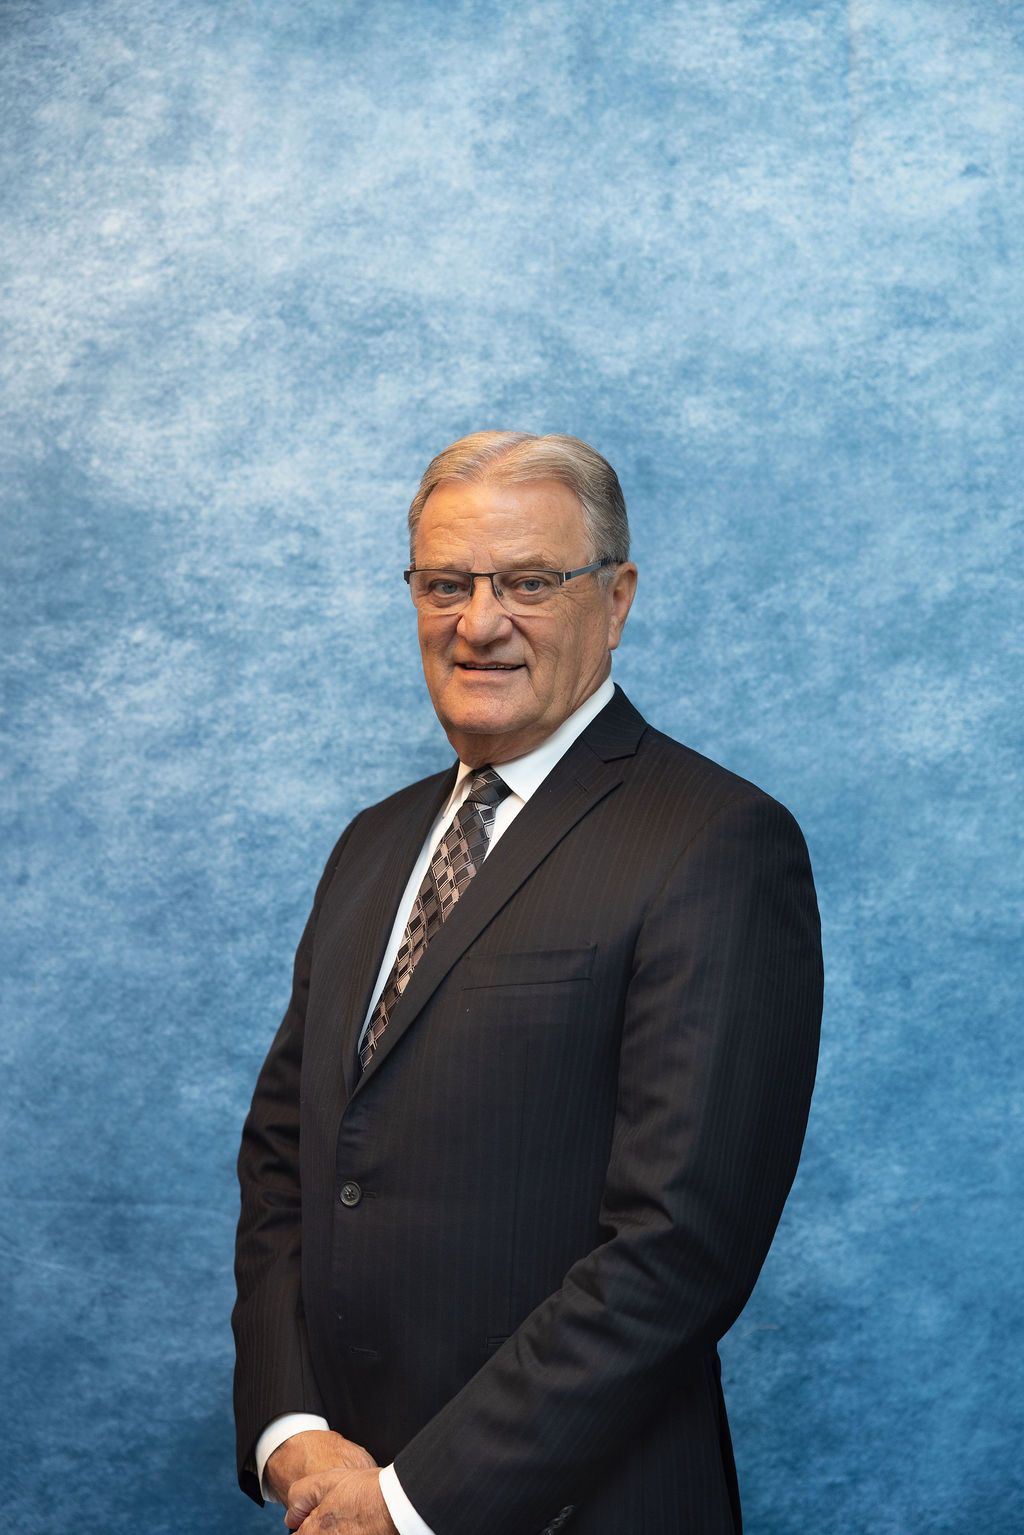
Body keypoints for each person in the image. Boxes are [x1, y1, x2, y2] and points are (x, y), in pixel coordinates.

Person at [232, 430, 824, 1535]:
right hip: (338, 1489)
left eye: (529, 581)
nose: (480, 620)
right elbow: (286, 1160)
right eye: (446, 582)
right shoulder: (373, 843)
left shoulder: (716, 842)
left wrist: (409, 1503)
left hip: (576, 1508)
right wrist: (290, 1427)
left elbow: (677, 1248)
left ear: (617, 597)